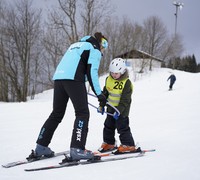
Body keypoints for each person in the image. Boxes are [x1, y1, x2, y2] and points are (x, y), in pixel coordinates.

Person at [27, 32, 108, 161]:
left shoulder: (75, 45)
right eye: (104, 44)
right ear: (100, 42)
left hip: (59, 78)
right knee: (82, 113)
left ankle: (41, 147)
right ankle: (77, 149)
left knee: (56, 114)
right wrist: (100, 94)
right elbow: (92, 72)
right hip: (74, 80)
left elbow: (78, 68)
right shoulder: (94, 49)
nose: (103, 48)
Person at [97, 58, 140, 154]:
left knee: (122, 127)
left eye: (116, 73)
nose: (114, 75)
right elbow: (105, 94)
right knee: (108, 126)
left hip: (122, 110)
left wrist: (119, 111)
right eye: (112, 72)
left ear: (123, 71)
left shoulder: (127, 83)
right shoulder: (109, 79)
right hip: (110, 109)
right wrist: (101, 105)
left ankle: (128, 145)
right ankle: (109, 143)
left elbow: (125, 100)